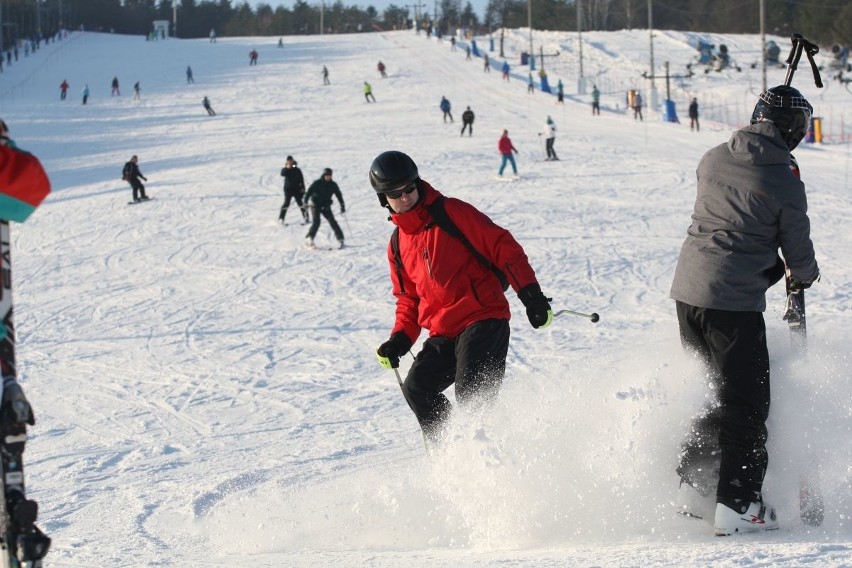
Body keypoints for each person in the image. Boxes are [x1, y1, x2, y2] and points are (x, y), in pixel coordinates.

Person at [670, 85, 820, 536]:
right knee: (747, 404)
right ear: (791, 131)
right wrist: (803, 274)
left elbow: (735, 221)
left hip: (688, 294)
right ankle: (738, 504)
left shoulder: (713, 156)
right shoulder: (784, 178)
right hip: (731, 305)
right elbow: (798, 251)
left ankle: (696, 489)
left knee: (716, 393)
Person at [370, 150, 552, 445]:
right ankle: (451, 452)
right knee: (417, 387)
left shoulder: (450, 213)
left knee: (472, 394)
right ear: (383, 199)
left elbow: (502, 247)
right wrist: (400, 340)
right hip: (444, 331)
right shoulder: (397, 245)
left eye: (409, 189)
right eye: (395, 193)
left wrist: (531, 296)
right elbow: (408, 301)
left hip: (483, 318)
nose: (405, 198)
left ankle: (492, 453)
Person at [303, 168, 345, 249]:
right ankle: (309, 238)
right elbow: (309, 192)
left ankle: (340, 239)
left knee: (332, 221)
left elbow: (338, 195)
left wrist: (342, 205)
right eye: (326, 175)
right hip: (315, 204)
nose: (328, 177)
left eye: (329, 176)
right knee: (316, 222)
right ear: (323, 175)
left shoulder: (333, 184)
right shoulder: (317, 183)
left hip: (326, 205)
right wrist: (305, 201)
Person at [279, 155, 309, 225]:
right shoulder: (285, 169)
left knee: (300, 203)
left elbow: (301, 180)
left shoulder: (297, 170)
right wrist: (287, 168)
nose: (290, 162)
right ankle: (281, 218)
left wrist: (303, 189)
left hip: (296, 190)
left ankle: (306, 217)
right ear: (287, 161)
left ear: (293, 161)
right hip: (288, 190)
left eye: (291, 161)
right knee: (286, 203)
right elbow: (282, 174)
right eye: (288, 161)